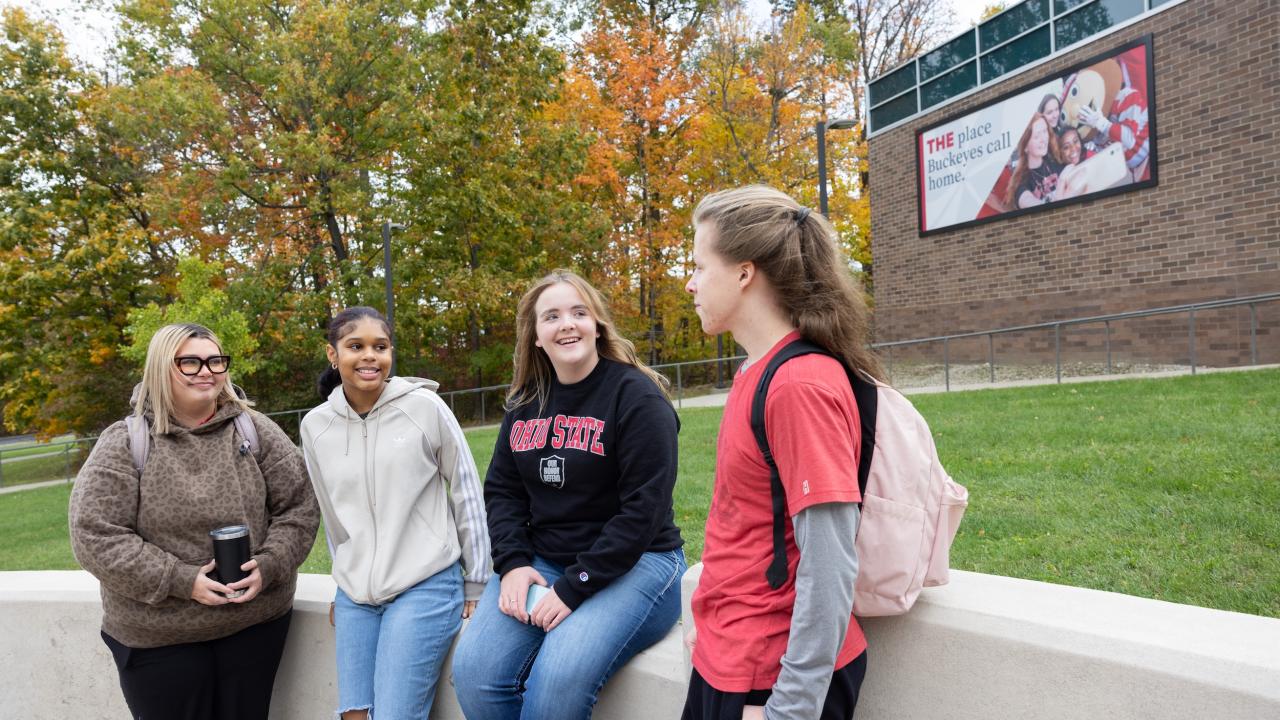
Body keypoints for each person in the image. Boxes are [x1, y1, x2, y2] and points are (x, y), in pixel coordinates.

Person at [682, 186, 883, 720]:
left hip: (770, 679)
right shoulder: (755, 369)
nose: (691, 283)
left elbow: (829, 561)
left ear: (744, 273)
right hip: (730, 657)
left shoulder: (798, 385)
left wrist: (789, 710)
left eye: (700, 266)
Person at [451, 270, 686, 720]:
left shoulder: (637, 397)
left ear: (597, 324)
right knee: (476, 673)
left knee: (556, 681)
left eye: (579, 312)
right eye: (552, 316)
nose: (567, 324)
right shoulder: (525, 403)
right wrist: (514, 563)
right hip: (543, 559)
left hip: (639, 563)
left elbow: (643, 510)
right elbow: (503, 491)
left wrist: (576, 585)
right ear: (536, 335)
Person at [69, 322, 320, 720]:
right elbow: (96, 535)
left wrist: (269, 565)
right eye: (189, 361)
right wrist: (182, 581)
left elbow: (299, 507)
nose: (206, 371)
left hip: (253, 627)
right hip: (159, 639)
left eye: (215, 360)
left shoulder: (254, 429)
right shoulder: (126, 442)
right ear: (160, 369)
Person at [300, 306, 491, 720]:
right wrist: (342, 577)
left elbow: (466, 491)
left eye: (380, 347)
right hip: (356, 597)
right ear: (333, 355)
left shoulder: (424, 407)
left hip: (423, 584)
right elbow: (334, 514)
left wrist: (477, 580)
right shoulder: (316, 426)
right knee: (354, 715)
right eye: (356, 346)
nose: (370, 356)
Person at [1006, 112, 1065, 209]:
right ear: (1025, 147)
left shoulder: (1054, 161)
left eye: (1045, 131)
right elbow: (1026, 200)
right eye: (1037, 136)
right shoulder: (1021, 179)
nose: (1044, 139)